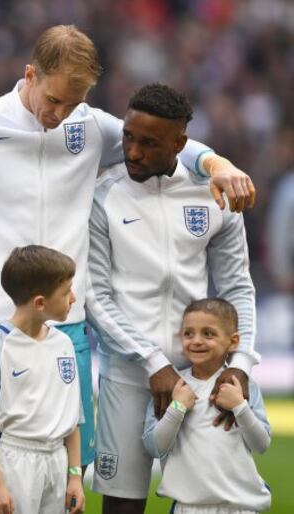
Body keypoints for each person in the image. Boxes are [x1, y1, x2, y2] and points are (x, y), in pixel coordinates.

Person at [0, 24, 255, 514]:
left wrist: (216, 164)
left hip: (68, 330)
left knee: (67, 472)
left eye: (74, 102)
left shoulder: (89, 127)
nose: (60, 114)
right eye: (54, 99)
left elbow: (168, 143)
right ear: (29, 74)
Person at [85, 84, 259, 514]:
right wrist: (152, 362)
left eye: (149, 143)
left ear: (180, 144)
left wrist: (239, 365)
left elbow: (238, 287)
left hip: (198, 376)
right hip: (127, 376)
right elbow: (95, 295)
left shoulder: (212, 196)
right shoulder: (104, 196)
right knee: (121, 507)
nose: (133, 152)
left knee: (203, 500)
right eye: (128, 137)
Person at [0, 245, 85, 514]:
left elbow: (73, 418)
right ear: (40, 303)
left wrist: (75, 476)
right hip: (13, 464)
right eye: (66, 292)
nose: (73, 298)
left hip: (56, 463)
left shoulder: (64, 344)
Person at [143, 298, 271, 514]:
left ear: (232, 341)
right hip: (188, 507)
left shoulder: (242, 387)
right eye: (188, 333)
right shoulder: (172, 387)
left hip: (240, 507)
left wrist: (240, 406)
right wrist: (177, 408)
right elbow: (155, 447)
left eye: (208, 333)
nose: (196, 341)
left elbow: (261, 444)